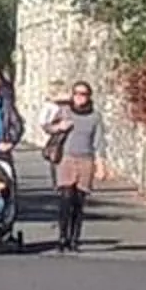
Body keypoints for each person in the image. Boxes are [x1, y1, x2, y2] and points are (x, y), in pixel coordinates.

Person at [43, 81, 104, 251]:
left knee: (79, 201)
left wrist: (101, 164)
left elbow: (99, 141)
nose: (79, 97)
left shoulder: (95, 117)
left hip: (86, 160)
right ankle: (62, 237)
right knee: (65, 198)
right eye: (76, 93)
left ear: (89, 96)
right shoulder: (64, 112)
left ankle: (74, 238)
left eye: (83, 94)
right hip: (66, 159)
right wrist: (59, 127)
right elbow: (47, 127)